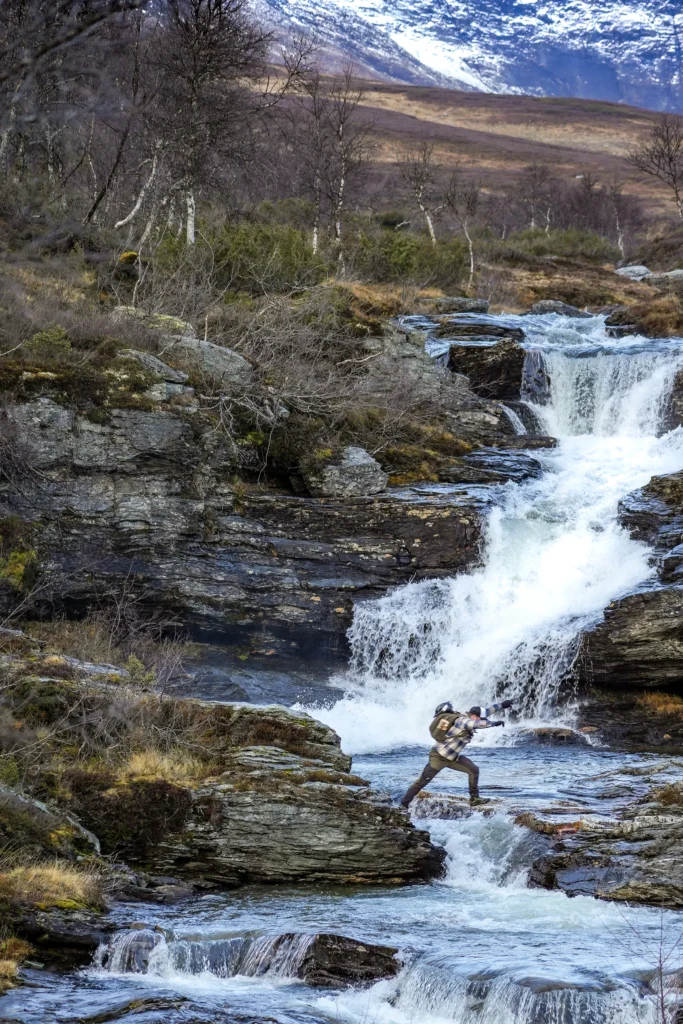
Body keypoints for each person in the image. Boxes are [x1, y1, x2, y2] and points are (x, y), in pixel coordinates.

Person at [400, 699, 514, 808]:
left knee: (473, 770)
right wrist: (494, 723)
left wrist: (502, 705)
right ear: (474, 716)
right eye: (480, 718)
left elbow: (487, 711)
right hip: (439, 757)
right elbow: (476, 724)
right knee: (421, 782)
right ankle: (403, 804)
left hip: (452, 757)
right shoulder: (463, 721)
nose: (481, 719)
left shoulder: (472, 716)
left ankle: (474, 799)